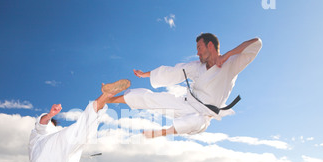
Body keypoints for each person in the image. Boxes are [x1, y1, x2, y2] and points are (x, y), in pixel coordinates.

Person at [107, 33, 262, 138]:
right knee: (153, 99)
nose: (197, 53)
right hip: (186, 103)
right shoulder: (196, 67)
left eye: (199, 48)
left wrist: (227, 55)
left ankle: (159, 133)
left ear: (210, 46)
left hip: (204, 115)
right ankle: (109, 99)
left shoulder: (230, 64)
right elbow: (172, 72)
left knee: (197, 121)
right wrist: (145, 74)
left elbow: (256, 43)